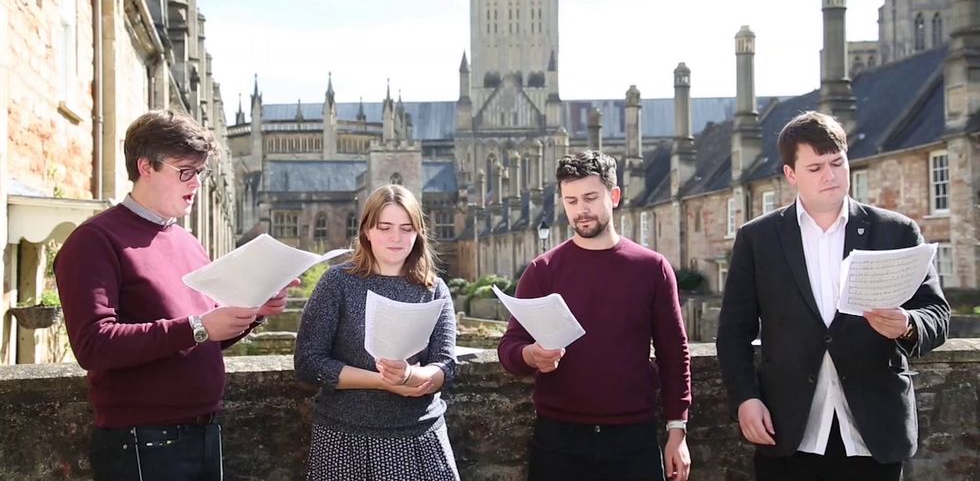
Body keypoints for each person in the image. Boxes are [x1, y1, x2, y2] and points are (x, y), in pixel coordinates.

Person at [54, 110, 291, 481]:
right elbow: (94, 345)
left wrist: (253, 309)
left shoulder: (187, 241)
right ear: (146, 166)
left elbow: (205, 336)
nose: (196, 183)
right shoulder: (94, 241)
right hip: (142, 443)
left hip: (205, 433)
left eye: (200, 172)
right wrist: (198, 327)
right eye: (185, 171)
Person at [716, 111, 950, 481]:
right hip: (788, 430)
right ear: (791, 174)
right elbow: (732, 333)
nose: (830, 175)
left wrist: (908, 324)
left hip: (874, 432)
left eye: (837, 163)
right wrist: (746, 398)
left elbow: (936, 313)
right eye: (815, 168)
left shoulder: (895, 231)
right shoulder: (757, 239)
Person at [497, 150, 692, 481]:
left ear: (614, 196)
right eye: (571, 201)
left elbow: (675, 353)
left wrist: (678, 430)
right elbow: (509, 348)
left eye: (590, 197)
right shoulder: (542, 271)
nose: (580, 210)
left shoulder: (652, 268)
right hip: (558, 439)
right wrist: (530, 355)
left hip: (633, 439)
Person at [294, 184, 459, 481]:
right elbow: (308, 362)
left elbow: (446, 365)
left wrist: (413, 377)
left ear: (418, 233)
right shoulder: (337, 283)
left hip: (420, 437)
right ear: (367, 231)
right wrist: (386, 382)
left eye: (406, 228)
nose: (396, 238)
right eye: (385, 227)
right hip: (344, 440)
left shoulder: (434, 289)